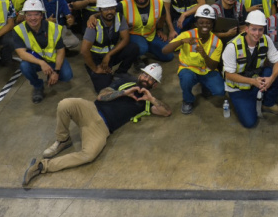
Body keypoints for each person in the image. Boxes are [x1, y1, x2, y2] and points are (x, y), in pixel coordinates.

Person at [22, 63, 171, 186]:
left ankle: (41, 167)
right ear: (140, 75)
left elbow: (166, 112)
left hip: (102, 128)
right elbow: (101, 95)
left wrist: (151, 99)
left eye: (151, 79)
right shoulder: (125, 81)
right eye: (145, 75)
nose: (145, 79)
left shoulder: (146, 102)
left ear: (155, 85)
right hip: (90, 109)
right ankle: (63, 140)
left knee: (89, 155)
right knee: (65, 104)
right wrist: (124, 93)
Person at [222, 10, 278, 128]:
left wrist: (271, 79)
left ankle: (267, 103)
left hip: (256, 81)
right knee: (250, 122)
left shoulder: (266, 40)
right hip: (238, 87)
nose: (257, 33)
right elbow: (229, 75)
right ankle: (247, 100)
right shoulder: (232, 47)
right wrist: (253, 82)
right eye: (254, 29)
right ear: (246, 29)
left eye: (260, 29)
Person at [162, 5, 225, 115]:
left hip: (207, 71)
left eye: (208, 23)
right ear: (196, 24)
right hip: (189, 70)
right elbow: (165, 51)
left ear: (212, 25)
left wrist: (204, 55)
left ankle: (205, 85)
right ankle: (188, 100)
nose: (205, 25)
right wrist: (182, 42)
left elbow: (213, 66)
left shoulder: (217, 42)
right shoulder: (187, 35)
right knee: (186, 79)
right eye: (201, 22)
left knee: (220, 91)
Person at [13, 0, 73, 103]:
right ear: (25, 16)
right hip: (36, 60)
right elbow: (21, 54)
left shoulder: (54, 28)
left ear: (41, 15)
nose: (33, 18)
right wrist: (41, 63)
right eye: (29, 15)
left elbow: (60, 51)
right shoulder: (19, 30)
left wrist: (56, 71)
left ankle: (51, 73)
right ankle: (38, 86)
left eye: (36, 14)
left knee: (67, 76)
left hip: (53, 60)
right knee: (24, 66)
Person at [79, 0, 138, 93]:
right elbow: (84, 51)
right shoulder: (93, 24)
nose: (109, 12)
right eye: (105, 9)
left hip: (111, 55)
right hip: (97, 59)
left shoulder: (119, 18)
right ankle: (93, 70)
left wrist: (109, 55)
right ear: (100, 10)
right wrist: (95, 68)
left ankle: (121, 72)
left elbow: (125, 39)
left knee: (133, 47)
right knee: (104, 89)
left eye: (112, 8)